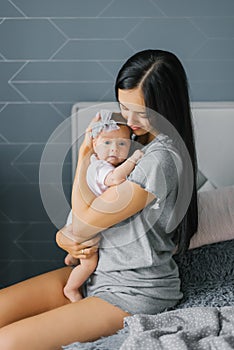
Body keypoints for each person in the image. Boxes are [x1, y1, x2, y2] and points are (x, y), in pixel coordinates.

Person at [0, 49, 198, 349]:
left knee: (7, 342)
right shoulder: (128, 143)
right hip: (96, 274)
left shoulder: (160, 160)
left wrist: (84, 157)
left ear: (164, 107)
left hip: (132, 291)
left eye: (140, 113)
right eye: (123, 107)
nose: (129, 120)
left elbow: (82, 225)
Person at [64, 109, 143, 302]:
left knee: (80, 253)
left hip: (78, 217)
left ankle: (71, 258)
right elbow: (116, 179)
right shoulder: (100, 168)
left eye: (122, 143)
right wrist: (134, 159)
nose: (114, 149)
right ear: (94, 145)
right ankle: (71, 288)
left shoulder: (96, 162)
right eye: (107, 143)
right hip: (85, 225)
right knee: (89, 265)